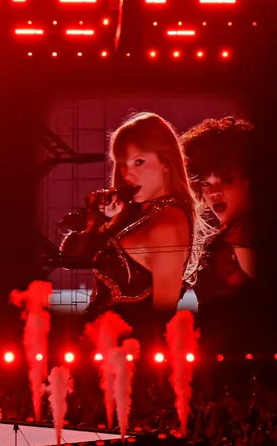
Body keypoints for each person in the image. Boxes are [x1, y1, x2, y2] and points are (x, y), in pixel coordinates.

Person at [58, 112, 212, 323]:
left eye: (139, 162)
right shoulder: (136, 212)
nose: (128, 174)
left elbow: (163, 315)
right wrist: (100, 220)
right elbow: (68, 259)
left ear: (166, 163)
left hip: (130, 348)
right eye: (122, 164)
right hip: (101, 343)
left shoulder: (168, 224)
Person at [181, 116, 256, 304]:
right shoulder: (231, 233)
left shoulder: (246, 232)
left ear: (250, 181)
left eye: (226, 179)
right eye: (205, 183)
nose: (214, 192)